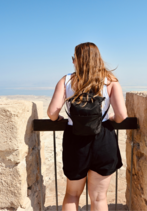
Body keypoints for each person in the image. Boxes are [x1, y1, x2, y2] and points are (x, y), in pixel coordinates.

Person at [47, 42, 127, 211]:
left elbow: (52, 113)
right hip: (103, 139)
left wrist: (60, 117)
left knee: (72, 195)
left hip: (75, 140)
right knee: (99, 198)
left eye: (73, 58)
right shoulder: (110, 81)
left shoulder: (66, 80)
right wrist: (111, 117)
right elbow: (121, 116)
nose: (72, 62)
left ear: (77, 60)